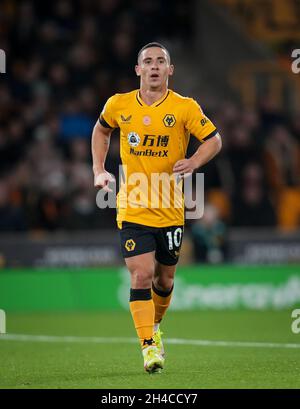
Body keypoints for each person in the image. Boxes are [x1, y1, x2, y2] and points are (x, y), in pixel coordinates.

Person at [91, 42, 222, 373]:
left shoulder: (184, 107)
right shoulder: (118, 104)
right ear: (138, 70)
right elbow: (101, 129)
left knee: (164, 281)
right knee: (142, 274)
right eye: (147, 61)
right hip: (133, 207)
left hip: (171, 209)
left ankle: (155, 327)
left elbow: (214, 140)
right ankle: (148, 346)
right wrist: (98, 168)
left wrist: (193, 161)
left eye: (160, 61)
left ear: (169, 70)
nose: (153, 66)